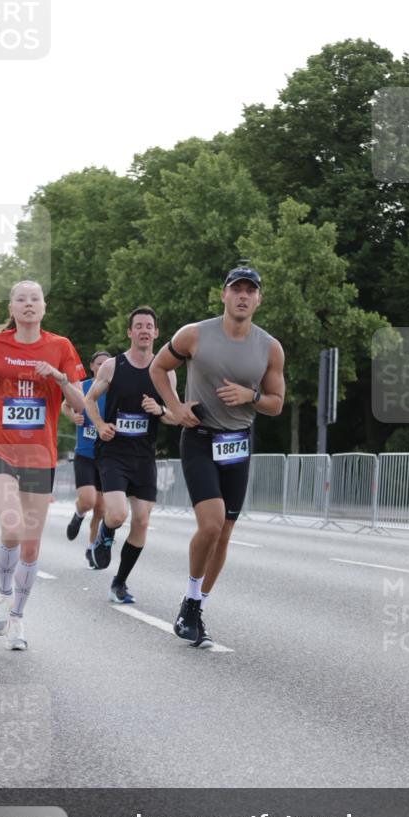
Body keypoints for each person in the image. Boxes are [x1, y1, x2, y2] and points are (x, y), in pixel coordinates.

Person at [150, 266, 285, 648]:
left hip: (238, 443)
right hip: (200, 438)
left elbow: (276, 403)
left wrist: (250, 396)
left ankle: (194, 607)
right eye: (236, 289)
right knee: (210, 525)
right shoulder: (193, 335)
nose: (242, 296)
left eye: (250, 291)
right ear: (223, 294)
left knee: (224, 533)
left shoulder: (270, 348)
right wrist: (175, 408)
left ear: (258, 299)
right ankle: (192, 598)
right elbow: (158, 368)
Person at [0, 280, 85, 650]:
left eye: (35, 298)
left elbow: (79, 403)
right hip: (0, 450)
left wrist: (60, 378)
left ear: (44, 307)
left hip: (39, 456)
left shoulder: (60, 346)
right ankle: (3, 595)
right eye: (21, 299)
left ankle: (17, 619)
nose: (29, 304)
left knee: (31, 547)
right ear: (12, 308)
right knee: (13, 527)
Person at [84, 307, 177, 604]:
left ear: (156, 332)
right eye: (138, 326)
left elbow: (175, 415)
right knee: (117, 514)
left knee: (141, 522)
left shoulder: (166, 371)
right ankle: (105, 534)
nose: (144, 330)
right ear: (130, 332)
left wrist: (159, 410)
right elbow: (89, 399)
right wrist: (100, 425)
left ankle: (119, 583)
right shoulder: (113, 366)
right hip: (114, 452)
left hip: (144, 456)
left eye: (149, 326)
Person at [62, 350, 111, 567]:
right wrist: (73, 416)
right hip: (84, 453)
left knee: (100, 509)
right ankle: (79, 514)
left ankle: (91, 548)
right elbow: (65, 405)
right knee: (88, 501)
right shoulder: (82, 387)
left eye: (107, 363)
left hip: (107, 456)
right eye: (99, 363)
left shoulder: (116, 389)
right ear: (92, 366)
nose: (103, 366)